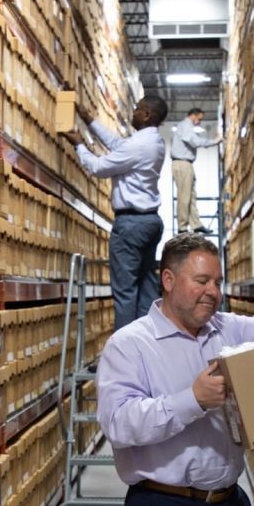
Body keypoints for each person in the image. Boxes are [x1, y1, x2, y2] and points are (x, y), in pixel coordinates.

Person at [96, 233, 254, 506]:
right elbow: (119, 424)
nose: (214, 292)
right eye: (202, 281)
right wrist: (192, 400)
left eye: (218, 282)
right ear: (168, 280)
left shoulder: (224, 328)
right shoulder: (130, 344)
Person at [60, 95, 169, 331]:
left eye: (138, 108)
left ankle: (124, 357)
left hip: (131, 224)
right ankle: (147, 347)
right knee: (146, 289)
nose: (133, 111)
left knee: (125, 292)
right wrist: (89, 120)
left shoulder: (140, 145)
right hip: (149, 221)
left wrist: (79, 144)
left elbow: (99, 168)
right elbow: (118, 145)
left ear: (147, 115)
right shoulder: (153, 142)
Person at [171, 107, 221, 234]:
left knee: (191, 196)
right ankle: (182, 227)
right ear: (193, 115)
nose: (199, 122)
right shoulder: (185, 125)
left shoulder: (187, 126)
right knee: (184, 196)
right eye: (199, 119)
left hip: (187, 164)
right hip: (182, 163)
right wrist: (215, 141)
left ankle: (196, 224)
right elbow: (194, 141)